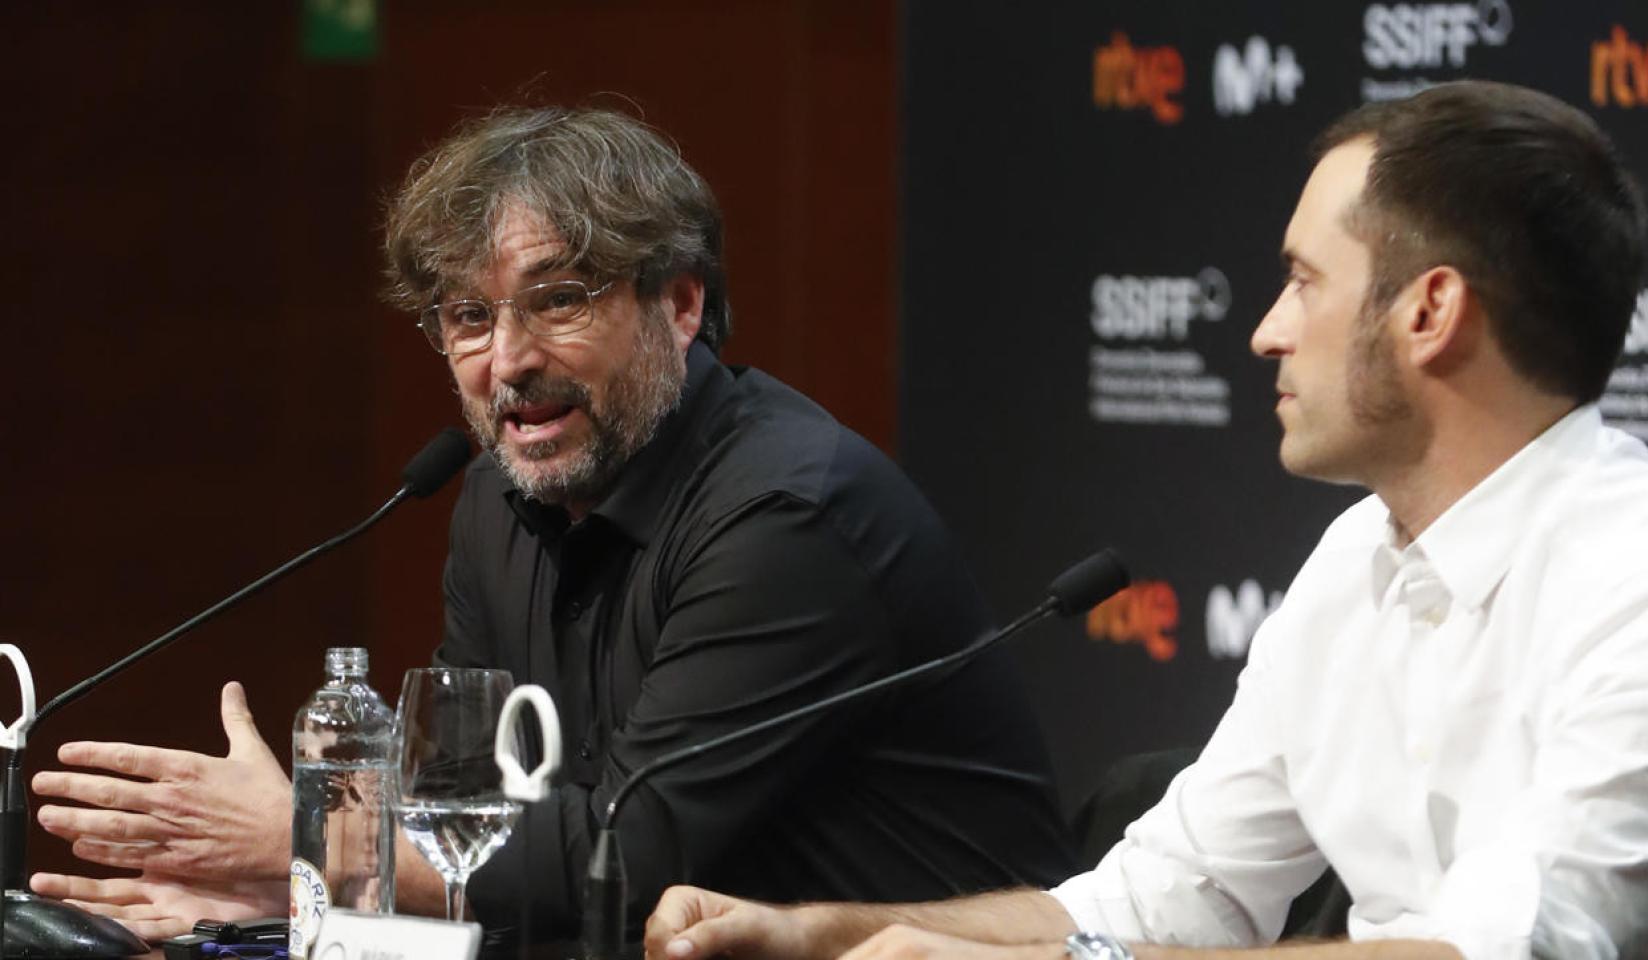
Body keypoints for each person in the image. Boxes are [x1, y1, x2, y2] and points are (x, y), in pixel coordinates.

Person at [642, 81, 1648, 960]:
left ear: (1427, 312)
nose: (1262, 332)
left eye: (1300, 281)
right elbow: (1149, 904)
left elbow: (1503, 952)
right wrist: (824, 934)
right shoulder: (1353, 562)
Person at [25, 107, 1079, 943]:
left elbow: (626, 856)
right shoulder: (495, 499)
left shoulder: (787, 513)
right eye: (468, 318)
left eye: (559, 300)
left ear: (678, 305)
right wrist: (312, 900)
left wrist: (314, 834)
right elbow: (472, 825)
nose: (508, 360)